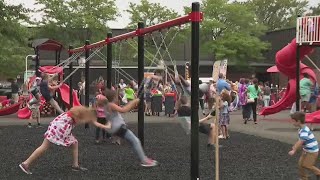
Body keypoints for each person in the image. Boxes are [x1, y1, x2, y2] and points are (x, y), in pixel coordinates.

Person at [19, 106, 111, 174]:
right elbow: (93, 123)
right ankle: (25, 163)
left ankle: (75, 165)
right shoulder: (84, 115)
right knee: (44, 147)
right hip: (61, 126)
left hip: (58, 124)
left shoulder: (80, 110)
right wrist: (107, 126)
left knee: (74, 143)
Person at [104, 89, 158, 167]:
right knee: (136, 141)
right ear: (114, 97)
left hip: (116, 128)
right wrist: (133, 102)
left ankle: (144, 158)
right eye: (116, 96)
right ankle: (144, 160)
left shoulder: (107, 105)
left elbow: (126, 109)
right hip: (119, 128)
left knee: (134, 142)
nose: (117, 98)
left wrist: (134, 103)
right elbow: (124, 110)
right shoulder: (111, 105)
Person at [289, 112, 320, 180]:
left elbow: (301, 141)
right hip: (306, 150)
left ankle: (318, 172)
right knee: (300, 165)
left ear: (299, 121)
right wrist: (296, 146)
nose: (292, 123)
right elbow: (300, 140)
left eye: (293, 121)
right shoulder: (300, 129)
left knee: (307, 165)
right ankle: (304, 178)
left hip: (312, 151)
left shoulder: (304, 130)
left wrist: (294, 149)